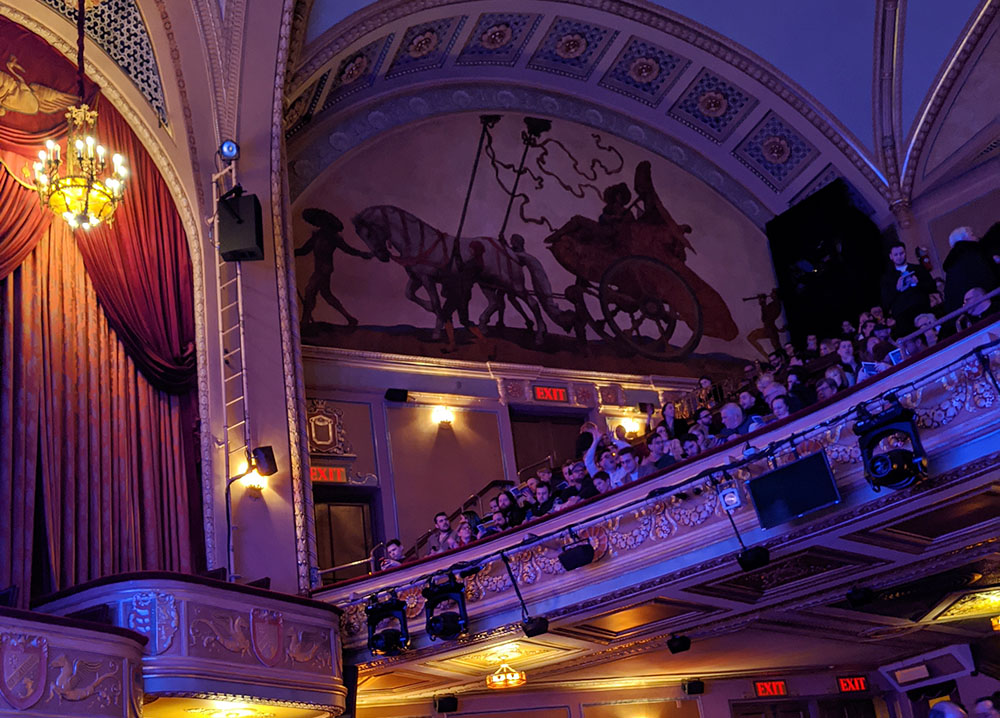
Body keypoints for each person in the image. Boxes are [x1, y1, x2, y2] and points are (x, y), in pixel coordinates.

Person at [880, 241, 935, 334]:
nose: (899, 256)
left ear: (905, 253)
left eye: (901, 253)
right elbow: (885, 302)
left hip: (923, 311)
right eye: (896, 254)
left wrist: (918, 283)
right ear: (891, 256)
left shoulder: (918, 269)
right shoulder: (887, 279)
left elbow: (932, 287)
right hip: (903, 319)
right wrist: (897, 289)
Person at [943, 226, 998, 313]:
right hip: (988, 306)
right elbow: (989, 278)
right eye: (972, 235)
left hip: (966, 314)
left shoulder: (952, 265)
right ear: (963, 239)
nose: (977, 237)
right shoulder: (973, 253)